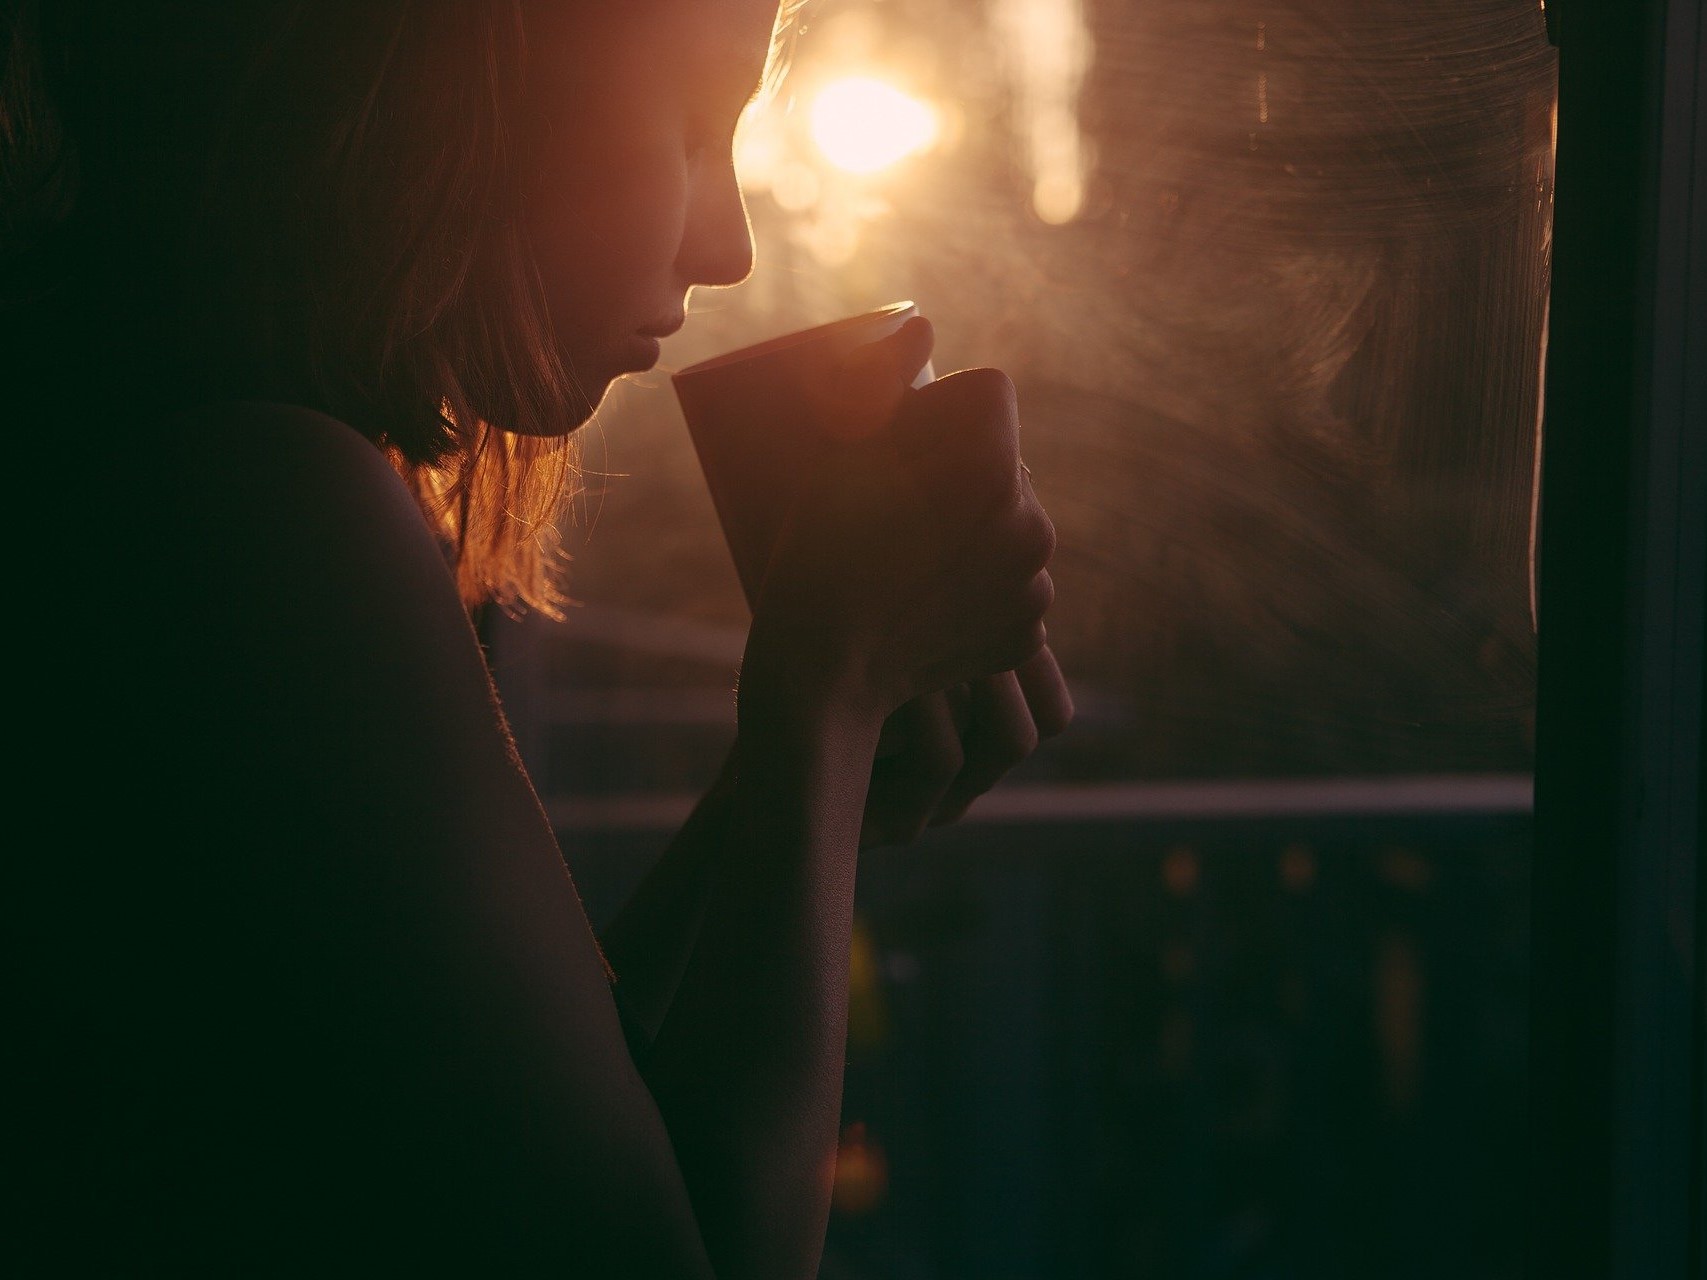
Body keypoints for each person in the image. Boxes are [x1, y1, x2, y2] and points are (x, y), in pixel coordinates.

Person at [6, 0, 1069, 1272]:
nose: (728, 246)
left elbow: (534, 1119)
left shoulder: (174, 449)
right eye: (689, 120)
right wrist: (827, 701)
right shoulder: (256, 506)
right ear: (454, 79)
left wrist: (764, 796)